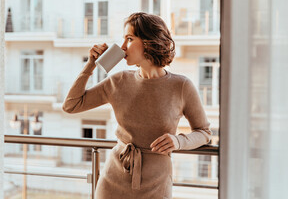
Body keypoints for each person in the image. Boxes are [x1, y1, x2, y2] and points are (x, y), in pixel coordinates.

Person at [62, 12, 212, 199]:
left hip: (157, 185)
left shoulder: (181, 86)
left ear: (149, 42)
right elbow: (71, 105)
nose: (123, 47)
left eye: (130, 39)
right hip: (112, 181)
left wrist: (178, 141)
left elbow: (204, 132)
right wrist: (90, 65)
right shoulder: (118, 81)